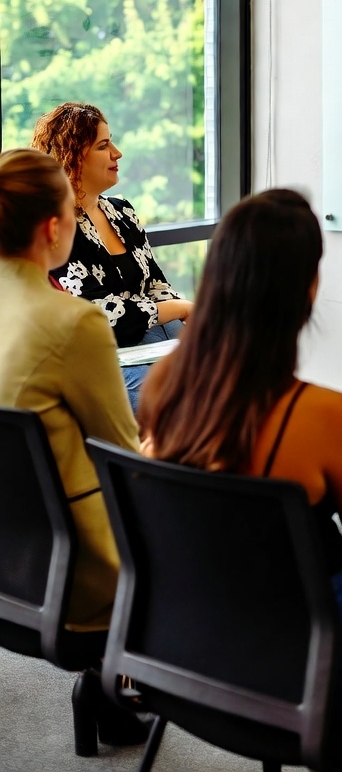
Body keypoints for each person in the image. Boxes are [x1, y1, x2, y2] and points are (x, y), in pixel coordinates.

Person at [139, 189, 342, 771]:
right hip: (311, 667)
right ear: (308, 289)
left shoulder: (164, 386)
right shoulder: (324, 416)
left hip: (186, 648)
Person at [0, 148, 150, 747]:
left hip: (13, 561)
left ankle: (104, 694)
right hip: (79, 582)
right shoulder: (72, 323)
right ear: (52, 227)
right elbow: (126, 467)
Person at [31, 102, 193, 412]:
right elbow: (104, 317)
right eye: (104, 146)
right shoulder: (59, 227)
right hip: (106, 349)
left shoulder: (121, 210)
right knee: (167, 407)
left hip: (154, 332)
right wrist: (180, 309)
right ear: (73, 156)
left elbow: (156, 284)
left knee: (227, 379)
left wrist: (186, 318)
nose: (117, 153)